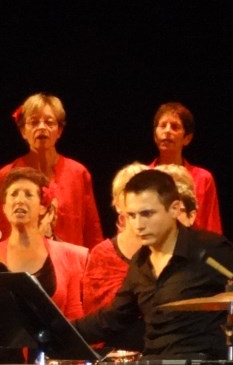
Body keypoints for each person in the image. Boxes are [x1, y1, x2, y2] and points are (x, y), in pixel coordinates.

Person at [74, 167, 233, 357]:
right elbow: (114, 317)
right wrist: (62, 330)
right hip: (154, 363)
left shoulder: (211, 249)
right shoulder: (140, 262)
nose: (138, 225)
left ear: (175, 209)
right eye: (132, 216)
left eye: (147, 214)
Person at [0, 93, 102, 248]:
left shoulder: (78, 173)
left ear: (59, 130)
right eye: (34, 122)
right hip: (20, 259)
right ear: (22, 131)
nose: (42, 127)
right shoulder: (6, 175)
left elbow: (92, 231)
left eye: (49, 122)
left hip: (69, 260)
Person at [1, 168, 87, 318]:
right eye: (13, 194)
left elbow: (74, 313)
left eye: (28, 194)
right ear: (4, 208)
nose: (19, 200)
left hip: (55, 334)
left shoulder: (68, 255)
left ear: (42, 208)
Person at [81, 164, 150, 325]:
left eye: (146, 192)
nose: (139, 199)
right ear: (118, 204)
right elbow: (95, 317)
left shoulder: (167, 247)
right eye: (131, 192)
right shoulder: (102, 255)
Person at [150, 102, 223, 234]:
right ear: (155, 135)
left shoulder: (203, 179)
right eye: (163, 125)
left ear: (187, 138)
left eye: (175, 127)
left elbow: (212, 228)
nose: (167, 131)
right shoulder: (141, 177)